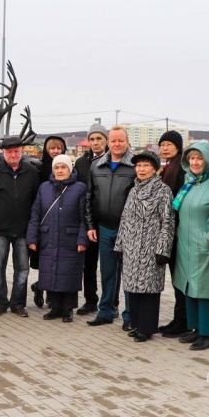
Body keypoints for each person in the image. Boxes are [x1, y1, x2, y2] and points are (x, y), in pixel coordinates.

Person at [172, 141, 209, 351]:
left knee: (206, 291)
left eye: (199, 158)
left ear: (208, 158)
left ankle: (207, 334)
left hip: (207, 246)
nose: (195, 162)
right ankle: (195, 328)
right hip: (186, 245)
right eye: (191, 158)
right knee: (189, 287)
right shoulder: (190, 180)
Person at [114, 150, 175, 342]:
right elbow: (124, 219)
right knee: (134, 288)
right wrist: (119, 245)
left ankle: (147, 328)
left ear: (155, 169)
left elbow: (168, 222)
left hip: (151, 249)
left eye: (146, 165)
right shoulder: (133, 190)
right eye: (138, 165)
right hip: (131, 247)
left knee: (148, 290)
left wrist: (163, 249)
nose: (141, 169)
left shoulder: (163, 191)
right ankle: (137, 323)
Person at [0, 136, 39, 318]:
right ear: (3, 153)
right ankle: (0, 303)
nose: (13, 154)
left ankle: (18, 304)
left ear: (21, 152)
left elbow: (37, 203)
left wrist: (34, 229)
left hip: (23, 231)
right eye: (9, 152)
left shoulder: (31, 172)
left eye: (16, 151)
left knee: (22, 269)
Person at [85, 126, 136, 329]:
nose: (116, 144)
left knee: (129, 274)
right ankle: (105, 311)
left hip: (128, 230)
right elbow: (89, 197)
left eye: (120, 140)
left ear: (126, 142)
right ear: (108, 142)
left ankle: (130, 315)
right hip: (104, 228)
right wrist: (90, 225)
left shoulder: (135, 165)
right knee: (107, 272)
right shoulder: (96, 166)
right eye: (113, 141)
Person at [26, 154, 88, 323]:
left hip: (70, 238)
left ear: (70, 169)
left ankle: (68, 309)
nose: (60, 171)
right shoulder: (44, 187)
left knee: (69, 273)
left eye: (63, 167)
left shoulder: (80, 188)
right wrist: (32, 237)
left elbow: (85, 217)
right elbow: (35, 214)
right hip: (48, 236)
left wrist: (82, 239)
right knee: (50, 271)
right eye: (57, 167)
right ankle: (55, 307)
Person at [156, 131, 190, 338]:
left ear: (178, 147)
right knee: (176, 278)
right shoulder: (166, 168)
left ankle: (183, 322)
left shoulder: (182, 169)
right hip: (168, 231)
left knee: (180, 278)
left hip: (177, 231)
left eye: (169, 144)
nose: (165, 148)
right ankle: (178, 320)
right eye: (163, 144)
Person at [75, 122, 108, 316]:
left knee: (109, 266)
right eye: (93, 139)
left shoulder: (111, 161)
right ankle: (90, 300)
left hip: (107, 220)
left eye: (99, 139)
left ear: (105, 141)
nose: (96, 143)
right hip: (88, 221)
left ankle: (110, 301)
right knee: (88, 263)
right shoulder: (81, 163)